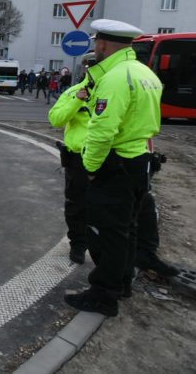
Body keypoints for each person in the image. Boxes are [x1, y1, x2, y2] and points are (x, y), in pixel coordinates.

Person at [64, 19, 163, 317]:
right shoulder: (146, 74)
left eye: (97, 42)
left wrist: (90, 168)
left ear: (103, 44)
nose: (96, 47)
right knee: (126, 231)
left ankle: (103, 296)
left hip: (116, 165)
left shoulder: (115, 78)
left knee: (105, 234)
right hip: (139, 162)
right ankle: (122, 284)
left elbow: (102, 131)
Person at [49, 75, 93, 264]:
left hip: (109, 157)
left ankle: (102, 246)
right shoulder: (73, 91)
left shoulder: (116, 88)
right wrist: (77, 101)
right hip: (78, 160)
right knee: (76, 205)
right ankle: (78, 244)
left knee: (107, 206)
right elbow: (55, 119)